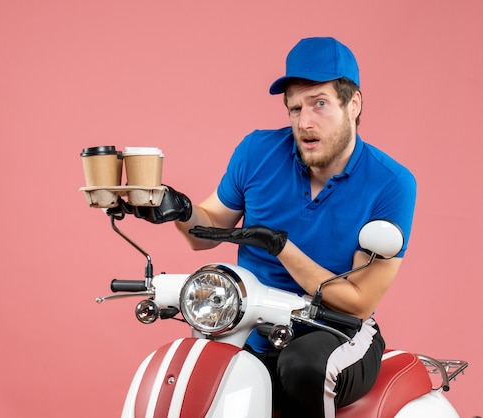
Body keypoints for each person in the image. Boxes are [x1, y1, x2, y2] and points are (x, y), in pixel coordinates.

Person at [110, 37, 416, 418]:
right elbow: (206, 233)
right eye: (295, 108)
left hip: (338, 335)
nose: (304, 122)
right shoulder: (257, 151)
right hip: (254, 325)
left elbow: (357, 301)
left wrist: (281, 248)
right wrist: (179, 210)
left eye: (319, 104)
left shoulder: (391, 183)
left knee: (303, 364)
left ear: (352, 104)